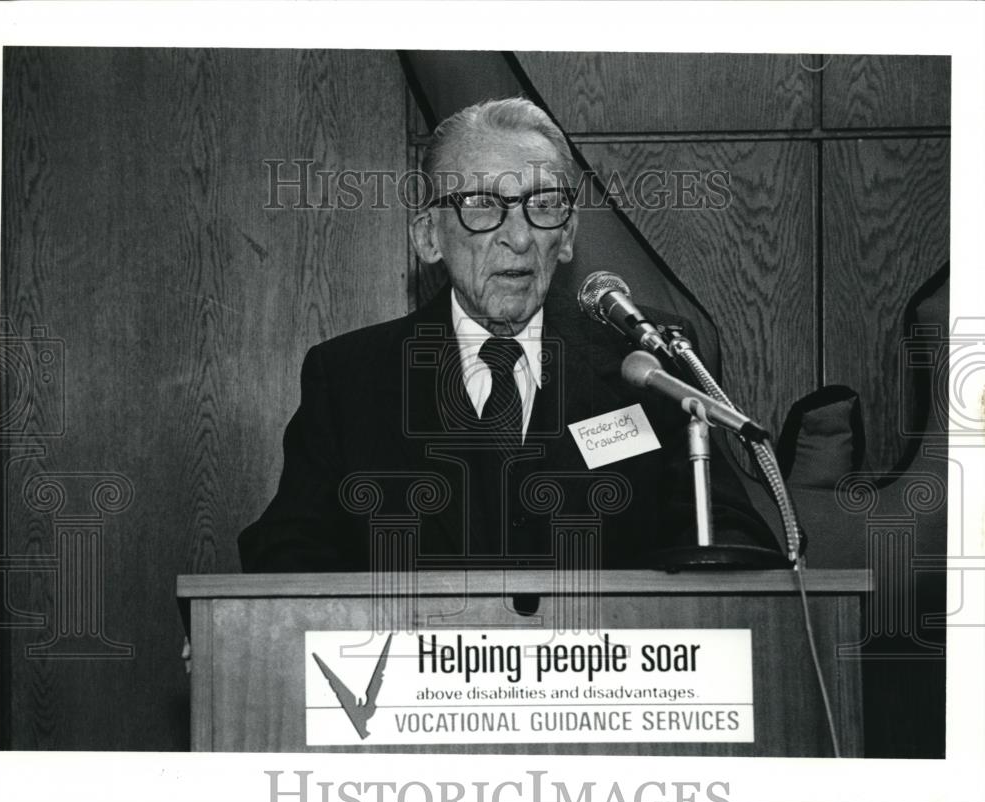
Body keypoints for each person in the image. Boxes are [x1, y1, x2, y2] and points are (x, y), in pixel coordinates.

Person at [238, 97, 780, 574]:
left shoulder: (643, 359)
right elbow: (291, 552)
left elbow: (729, 536)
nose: (518, 238)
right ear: (429, 238)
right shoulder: (352, 378)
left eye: (542, 207)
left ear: (566, 237)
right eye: (482, 206)